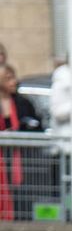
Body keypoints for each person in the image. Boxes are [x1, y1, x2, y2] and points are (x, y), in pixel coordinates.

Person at [0, 63, 41, 220]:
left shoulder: (22, 103)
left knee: (20, 196)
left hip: (20, 159)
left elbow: (37, 126)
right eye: (9, 78)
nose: (14, 82)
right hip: (2, 158)